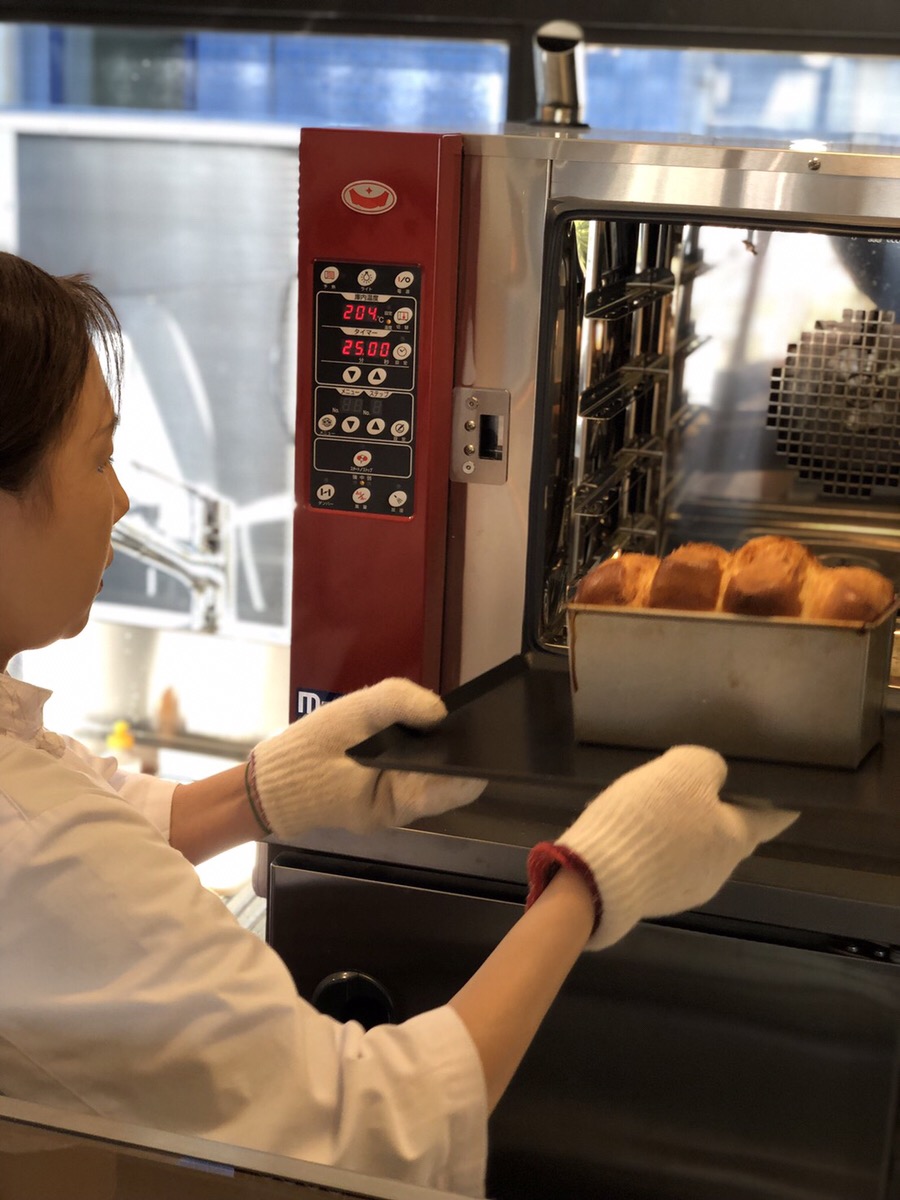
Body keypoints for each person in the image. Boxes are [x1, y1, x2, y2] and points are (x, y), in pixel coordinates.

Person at [0, 250, 797, 1198]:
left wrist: (259, 793)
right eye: (98, 456)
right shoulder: (34, 843)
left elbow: (86, 823)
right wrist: (593, 879)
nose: (122, 500)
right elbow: (375, 1128)